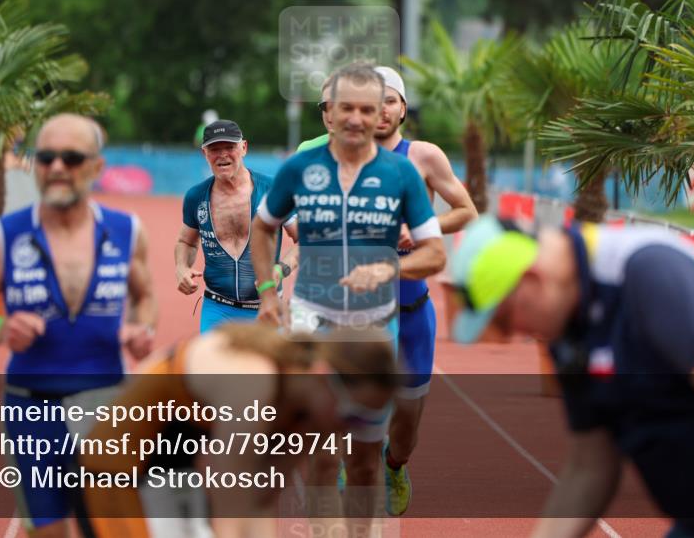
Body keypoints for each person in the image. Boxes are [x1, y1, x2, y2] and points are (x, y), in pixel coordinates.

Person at [449, 215, 694, 538]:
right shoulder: (569, 331)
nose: (514, 333)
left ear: (531, 280)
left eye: (506, 318)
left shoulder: (648, 272)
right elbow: (590, 465)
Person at [250, 63, 446, 537]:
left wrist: (388, 267)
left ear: (382, 112)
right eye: (346, 108)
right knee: (319, 452)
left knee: (363, 458)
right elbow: (263, 226)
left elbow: (436, 252)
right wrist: (267, 296)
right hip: (312, 323)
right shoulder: (300, 168)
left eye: (367, 108)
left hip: (376, 329)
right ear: (328, 115)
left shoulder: (401, 173)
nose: (357, 119)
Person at [0, 114, 158, 538]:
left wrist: (142, 330)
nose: (58, 168)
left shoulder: (125, 232)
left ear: (96, 167)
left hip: (106, 401)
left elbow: (145, 297)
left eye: (71, 157)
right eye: (46, 158)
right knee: (48, 532)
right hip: (31, 407)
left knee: (112, 527)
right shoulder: (7, 234)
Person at [78, 322, 400, 538]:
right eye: (351, 415)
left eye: (363, 422)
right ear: (323, 375)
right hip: (114, 469)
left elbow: (259, 502)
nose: (348, 430)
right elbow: (230, 504)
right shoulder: (253, 382)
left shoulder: (309, 415)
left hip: (169, 471)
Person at [371, 65, 478, 515]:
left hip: (411, 309)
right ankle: (355, 466)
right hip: (357, 311)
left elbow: (467, 210)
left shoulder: (424, 156)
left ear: (402, 108)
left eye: (389, 100)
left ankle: (394, 465)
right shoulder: (339, 159)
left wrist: (418, 231)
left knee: (408, 422)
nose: (379, 110)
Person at [176, 119, 298, 332]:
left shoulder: (272, 190)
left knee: (266, 366)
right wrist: (181, 268)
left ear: (243, 148)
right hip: (217, 309)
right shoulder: (196, 197)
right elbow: (186, 241)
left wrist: (281, 269)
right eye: (214, 149)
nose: (222, 154)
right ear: (205, 153)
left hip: (265, 308)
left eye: (229, 147)